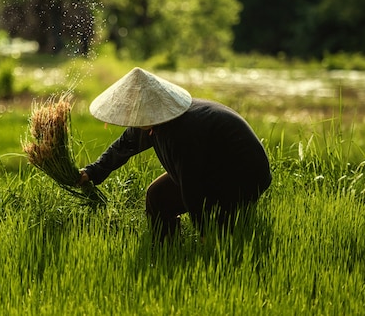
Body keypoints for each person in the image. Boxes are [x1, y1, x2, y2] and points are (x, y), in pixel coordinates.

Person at [79, 67, 271, 242]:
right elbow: (124, 145)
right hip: (210, 167)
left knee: (221, 233)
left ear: (153, 106)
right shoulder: (150, 121)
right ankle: (166, 250)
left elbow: (191, 183)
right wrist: (92, 172)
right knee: (157, 196)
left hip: (242, 174)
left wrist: (203, 230)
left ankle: (218, 241)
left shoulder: (180, 131)